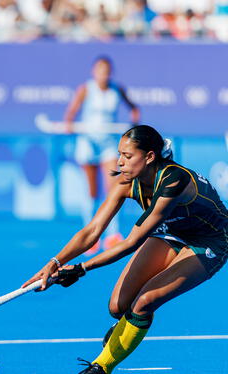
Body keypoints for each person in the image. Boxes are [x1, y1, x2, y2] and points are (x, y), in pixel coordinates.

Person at [24, 125, 228, 373]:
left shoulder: (174, 179)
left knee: (145, 301)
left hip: (210, 241)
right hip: (172, 233)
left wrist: (81, 268)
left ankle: (101, 366)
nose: (120, 162)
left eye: (128, 156)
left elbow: (131, 242)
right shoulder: (125, 182)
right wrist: (54, 262)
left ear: (150, 156)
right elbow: (91, 231)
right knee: (117, 308)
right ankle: (128, 325)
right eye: (119, 154)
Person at [64, 56, 140, 254]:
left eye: (106, 71)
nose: (103, 75)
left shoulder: (117, 89)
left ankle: (113, 235)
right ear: (94, 72)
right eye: (99, 71)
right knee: (91, 190)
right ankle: (90, 236)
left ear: (110, 73)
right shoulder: (85, 89)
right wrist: (70, 125)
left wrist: (134, 124)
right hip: (87, 142)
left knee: (114, 187)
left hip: (108, 143)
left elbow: (134, 109)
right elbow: (71, 113)